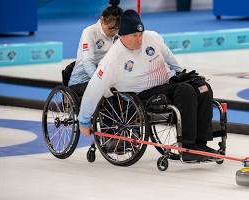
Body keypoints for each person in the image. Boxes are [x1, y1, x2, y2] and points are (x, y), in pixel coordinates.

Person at [78, 9, 216, 162]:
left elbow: (171, 59)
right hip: (141, 96)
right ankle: (188, 148)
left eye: (141, 34)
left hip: (165, 85)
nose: (139, 39)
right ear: (122, 36)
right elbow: (94, 87)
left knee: (202, 87)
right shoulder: (113, 58)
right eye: (134, 36)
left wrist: (181, 75)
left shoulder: (153, 37)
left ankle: (201, 145)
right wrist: (84, 120)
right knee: (186, 90)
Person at [68, 0, 123, 97]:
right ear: (102, 20)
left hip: (106, 78)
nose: (114, 32)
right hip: (81, 81)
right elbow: (88, 62)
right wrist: (100, 82)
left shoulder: (117, 33)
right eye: (111, 28)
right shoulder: (89, 32)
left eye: (117, 28)